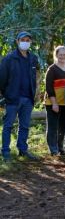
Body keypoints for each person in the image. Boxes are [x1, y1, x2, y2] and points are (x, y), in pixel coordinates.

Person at [0, 31, 40, 161]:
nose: (25, 42)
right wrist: (6, 96)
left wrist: (35, 93)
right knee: (8, 126)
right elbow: (2, 80)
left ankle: (22, 149)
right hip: (13, 99)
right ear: (17, 41)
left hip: (28, 98)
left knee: (24, 126)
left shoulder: (33, 58)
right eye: (23, 40)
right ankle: (5, 152)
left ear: (30, 42)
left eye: (28, 40)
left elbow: (36, 76)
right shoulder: (9, 58)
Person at [44, 46, 65, 156]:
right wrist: (54, 103)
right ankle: (53, 149)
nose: (62, 56)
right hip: (53, 103)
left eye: (64, 54)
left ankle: (60, 147)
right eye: (60, 54)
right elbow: (49, 88)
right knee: (53, 126)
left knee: (62, 127)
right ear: (56, 55)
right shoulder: (52, 69)